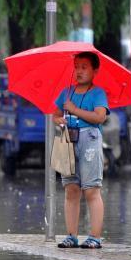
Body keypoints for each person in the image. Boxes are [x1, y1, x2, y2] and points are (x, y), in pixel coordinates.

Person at [53, 51, 110, 249]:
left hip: (89, 141)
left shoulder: (98, 93)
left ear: (95, 70)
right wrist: (59, 119)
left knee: (91, 190)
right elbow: (56, 114)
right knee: (71, 189)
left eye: (84, 67)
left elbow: (99, 117)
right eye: (76, 67)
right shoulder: (66, 93)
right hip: (68, 140)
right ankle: (71, 235)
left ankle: (94, 236)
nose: (79, 71)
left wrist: (74, 110)